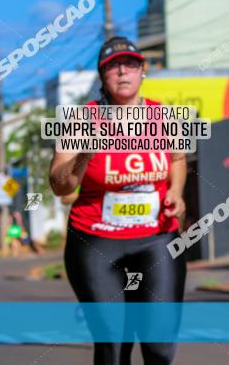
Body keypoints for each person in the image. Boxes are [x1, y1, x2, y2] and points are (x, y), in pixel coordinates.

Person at [49, 36, 187, 365]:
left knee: (160, 347)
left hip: (157, 239)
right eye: (113, 66)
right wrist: (84, 154)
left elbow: (179, 160)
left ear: (143, 71)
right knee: (114, 346)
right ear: (102, 77)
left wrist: (176, 192)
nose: (123, 71)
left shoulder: (165, 116)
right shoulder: (81, 120)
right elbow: (58, 184)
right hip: (96, 241)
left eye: (130, 64)